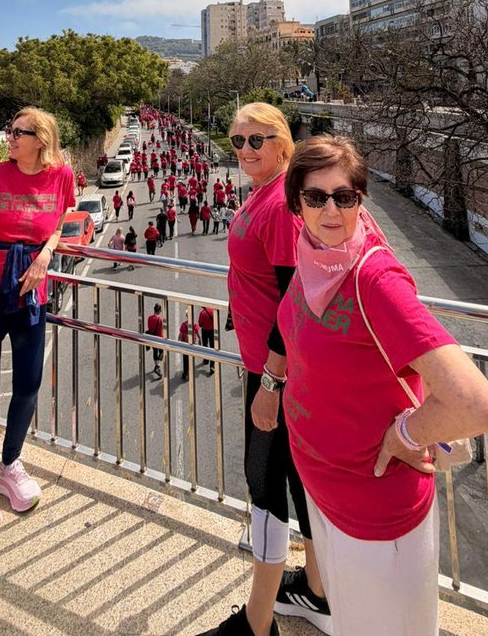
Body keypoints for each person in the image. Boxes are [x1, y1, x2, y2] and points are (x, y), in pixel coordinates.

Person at [279, 136, 488, 636]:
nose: (331, 210)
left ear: (361, 199)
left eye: (345, 196)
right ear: (297, 203)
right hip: (322, 485)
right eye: (316, 197)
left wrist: (405, 434)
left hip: (373, 509)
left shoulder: (373, 279)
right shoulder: (314, 258)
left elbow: (474, 402)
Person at [198, 103, 329, 636]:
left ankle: (257, 624)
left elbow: (294, 299)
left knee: (265, 485)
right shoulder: (264, 193)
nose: (246, 150)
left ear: (282, 143)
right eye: (237, 141)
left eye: (258, 140)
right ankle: (318, 591)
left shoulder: (279, 205)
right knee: (297, 483)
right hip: (272, 366)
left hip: (277, 372)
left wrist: (272, 383)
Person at [0, 108, 74, 537]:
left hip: (31, 290)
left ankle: (9, 463)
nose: (9, 137)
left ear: (40, 138)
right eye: (10, 131)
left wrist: (46, 253)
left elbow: (61, 219)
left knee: (27, 382)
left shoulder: (61, 175)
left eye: (17, 132)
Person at [147, 303, 164, 378]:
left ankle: (157, 365)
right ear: (159, 310)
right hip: (158, 338)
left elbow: (149, 327)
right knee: (162, 352)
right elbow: (160, 330)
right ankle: (157, 366)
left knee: (155, 351)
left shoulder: (149, 318)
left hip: (152, 337)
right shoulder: (160, 319)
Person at [197, 305, 216, 373]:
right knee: (212, 347)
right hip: (212, 331)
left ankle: (206, 360)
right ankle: (212, 366)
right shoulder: (212, 310)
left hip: (205, 330)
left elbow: (200, 324)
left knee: (205, 345)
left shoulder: (202, 313)